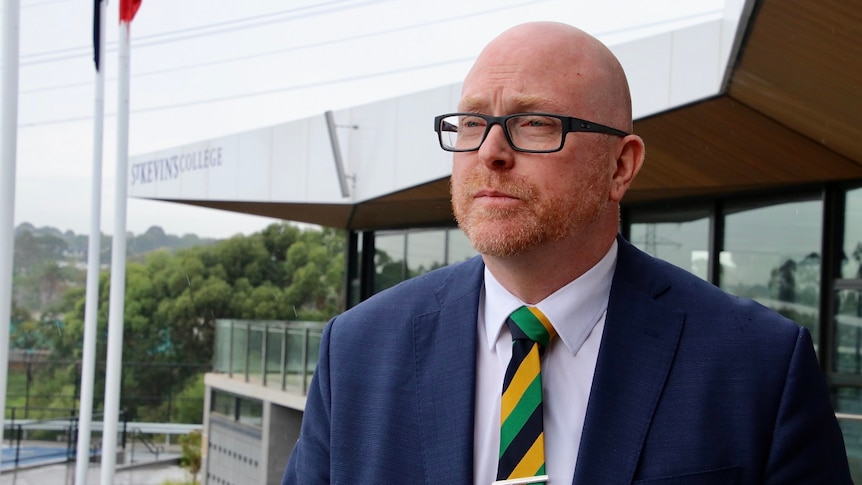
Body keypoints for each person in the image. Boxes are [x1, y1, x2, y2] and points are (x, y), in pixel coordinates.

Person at [283, 21, 852, 484]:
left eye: (534, 123)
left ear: (620, 166)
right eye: (472, 122)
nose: (492, 151)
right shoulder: (356, 353)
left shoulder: (760, 366)